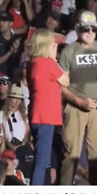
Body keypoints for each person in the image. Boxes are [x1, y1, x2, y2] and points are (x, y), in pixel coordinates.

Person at [59, 10, 97, 185]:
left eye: (93, 29)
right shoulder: (69, 51)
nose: (90, 32)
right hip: (75, 108)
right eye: (85, 29)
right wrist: (80, 101)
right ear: (77, 28)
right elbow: (61, 87)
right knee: (71, 154)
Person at [27, 28, 68, 185]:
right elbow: (65, 81)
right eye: (54, 45)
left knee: (40, 158)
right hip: (45, 115)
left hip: (36, 113)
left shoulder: (33, 62)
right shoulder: (47, 62)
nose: (55, 47)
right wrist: (55, 60)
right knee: (42, 161)